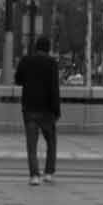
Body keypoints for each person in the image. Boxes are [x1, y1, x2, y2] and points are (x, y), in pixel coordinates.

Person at [14, 35, 61, 185]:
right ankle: (48, 173)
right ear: (48, 49)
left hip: (30, 109)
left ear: (36, 47)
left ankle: (34, 176)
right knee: (51, 142)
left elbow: (18, 79)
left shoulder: (26, 61)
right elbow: (55, 88)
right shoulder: (52, 63)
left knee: (31, 145)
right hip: (47, 110)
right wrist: (56, 110)